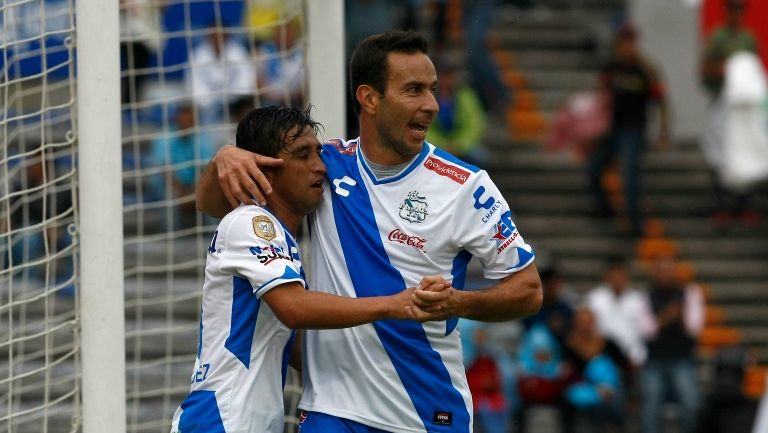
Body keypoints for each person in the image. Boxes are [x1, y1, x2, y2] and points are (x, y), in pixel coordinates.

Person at [196, 30, 543, 433]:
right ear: (369, 98)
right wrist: (225, 157)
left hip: (424, 412)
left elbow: (529, 291)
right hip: (332, 411)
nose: (430, 105)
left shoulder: (466, 186)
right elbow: (214, 205)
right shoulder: (323, 166)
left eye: (431, 90)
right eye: (413, 90)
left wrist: (459, 303)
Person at [169, 105, 448, 433]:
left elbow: (297, 346)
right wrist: (394, 304)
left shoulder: (279, 237)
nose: (320, 167)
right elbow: (294, 308)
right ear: (264, 171)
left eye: (318, 153)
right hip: (221, 420)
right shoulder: (252, 222)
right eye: (303, 155)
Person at [587, 23, 671, 237]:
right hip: (612, 130)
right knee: (594, 169)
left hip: (634, 131)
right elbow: (600, 98)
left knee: (630, 177)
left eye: (631, 42)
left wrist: (663, 131)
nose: (627, 48)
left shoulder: (645, 70)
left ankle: (635, 225)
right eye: (623, 42)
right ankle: (605, 211)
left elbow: (661, 101)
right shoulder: (611, 69)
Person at [700, 0, 762, 228]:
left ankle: (744, 205)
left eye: (739, 9)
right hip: (722, 103)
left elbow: (755, 70)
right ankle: (720, 206)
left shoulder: (748, 38)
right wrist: (728, 68)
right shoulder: (718, 38)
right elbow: (705, 68)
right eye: (732, 8)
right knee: (719, 156)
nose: (735, 13)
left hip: (743, 108)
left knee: (746, 153)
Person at [638, 254, 705, 433]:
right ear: (653, 273)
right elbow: (646, 331)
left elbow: (694, 328)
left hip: (682, 359)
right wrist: (668, 316)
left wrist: (680, 316)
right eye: (660, 271)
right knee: (650, 405)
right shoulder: (645, 297)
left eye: (668, 270)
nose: (664, 275)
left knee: (691, 402)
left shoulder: (690, 293)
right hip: (654, 361)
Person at [426, 51, 488, 167]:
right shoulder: (428, 96)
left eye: (450, 75)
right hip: (436, 147)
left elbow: (475, 125)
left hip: (463, 147)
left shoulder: (466, 96)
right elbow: (426, 127)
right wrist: (441, 146)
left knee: (480, 156)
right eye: (444, 75)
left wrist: (459, 145)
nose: (447, 79)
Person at [586, 256, 647, 371]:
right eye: (613, 276)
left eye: (620, 276)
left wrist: (638, 357)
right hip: (603, 354)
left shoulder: (638, 300)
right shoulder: (594, 299)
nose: (617, 280)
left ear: (626, 277)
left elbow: (644, 332)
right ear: (606, 277)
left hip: (633, 356)